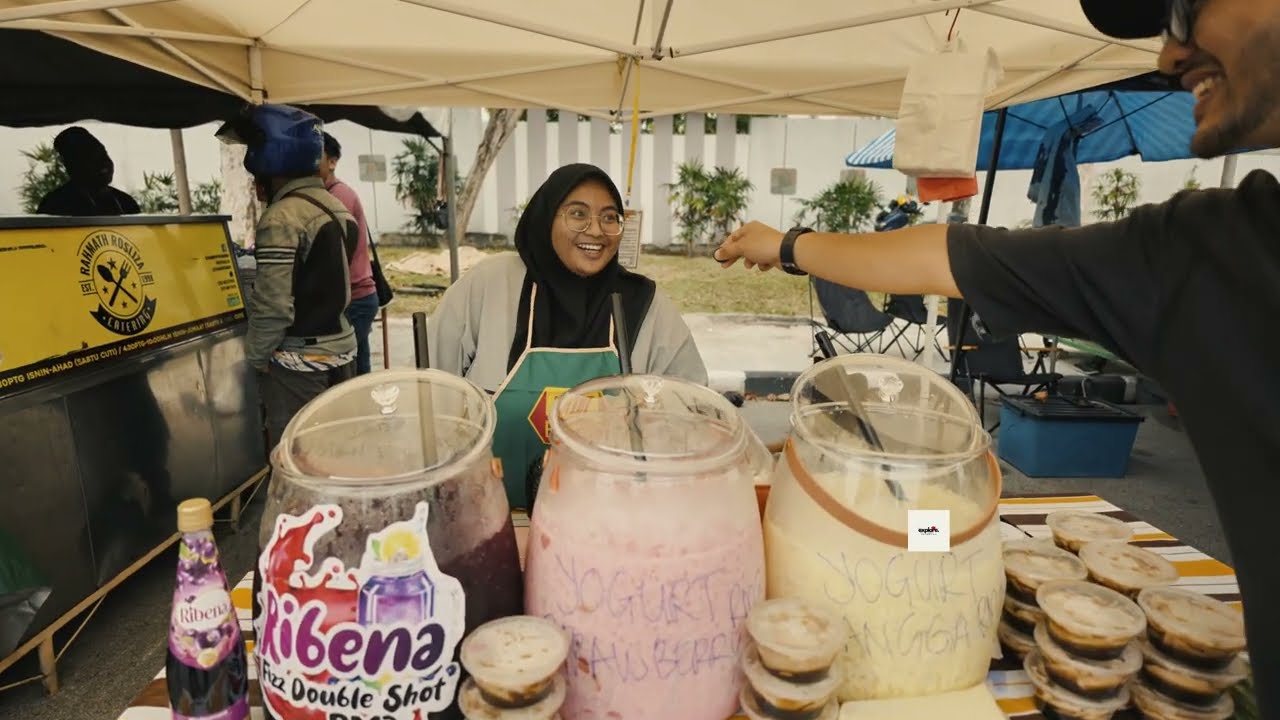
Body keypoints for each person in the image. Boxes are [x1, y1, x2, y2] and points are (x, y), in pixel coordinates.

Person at [715, 0, 1280, 714]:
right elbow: (955, 258)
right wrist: (792, 245)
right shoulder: (1212, 251)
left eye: (1185, 10)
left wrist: (791, 244)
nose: (1168, 58)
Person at [431, 163, 707, 509]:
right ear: (547, 216)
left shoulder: (643, 303)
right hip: (489, 517)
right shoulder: (489, 286)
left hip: (608, 522)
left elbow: (694, 408)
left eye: (610, 217)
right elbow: (430, 396)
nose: (596, 230)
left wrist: (623, 413)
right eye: (578, 214)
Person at [216, 104, 358, 448]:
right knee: (337, 455)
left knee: (299, 461)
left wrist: (254, 358)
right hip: (342, 351)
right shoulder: (336, 206)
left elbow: (275, 306)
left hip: (299, 363)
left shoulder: (282, 217)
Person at [319, 132, 380, 375]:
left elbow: (335, 251)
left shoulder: (338, 196)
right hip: (356, 297)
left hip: (355, 296)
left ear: (332, 161)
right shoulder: (329, 194)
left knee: (350, 368)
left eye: (317, 156)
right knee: (358, 362)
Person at [36, 126, 140, 216]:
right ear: (71, 166)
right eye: (91, 157)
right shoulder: (54, 205)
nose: (104, 162)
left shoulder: (126, 202)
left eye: (104, 153)